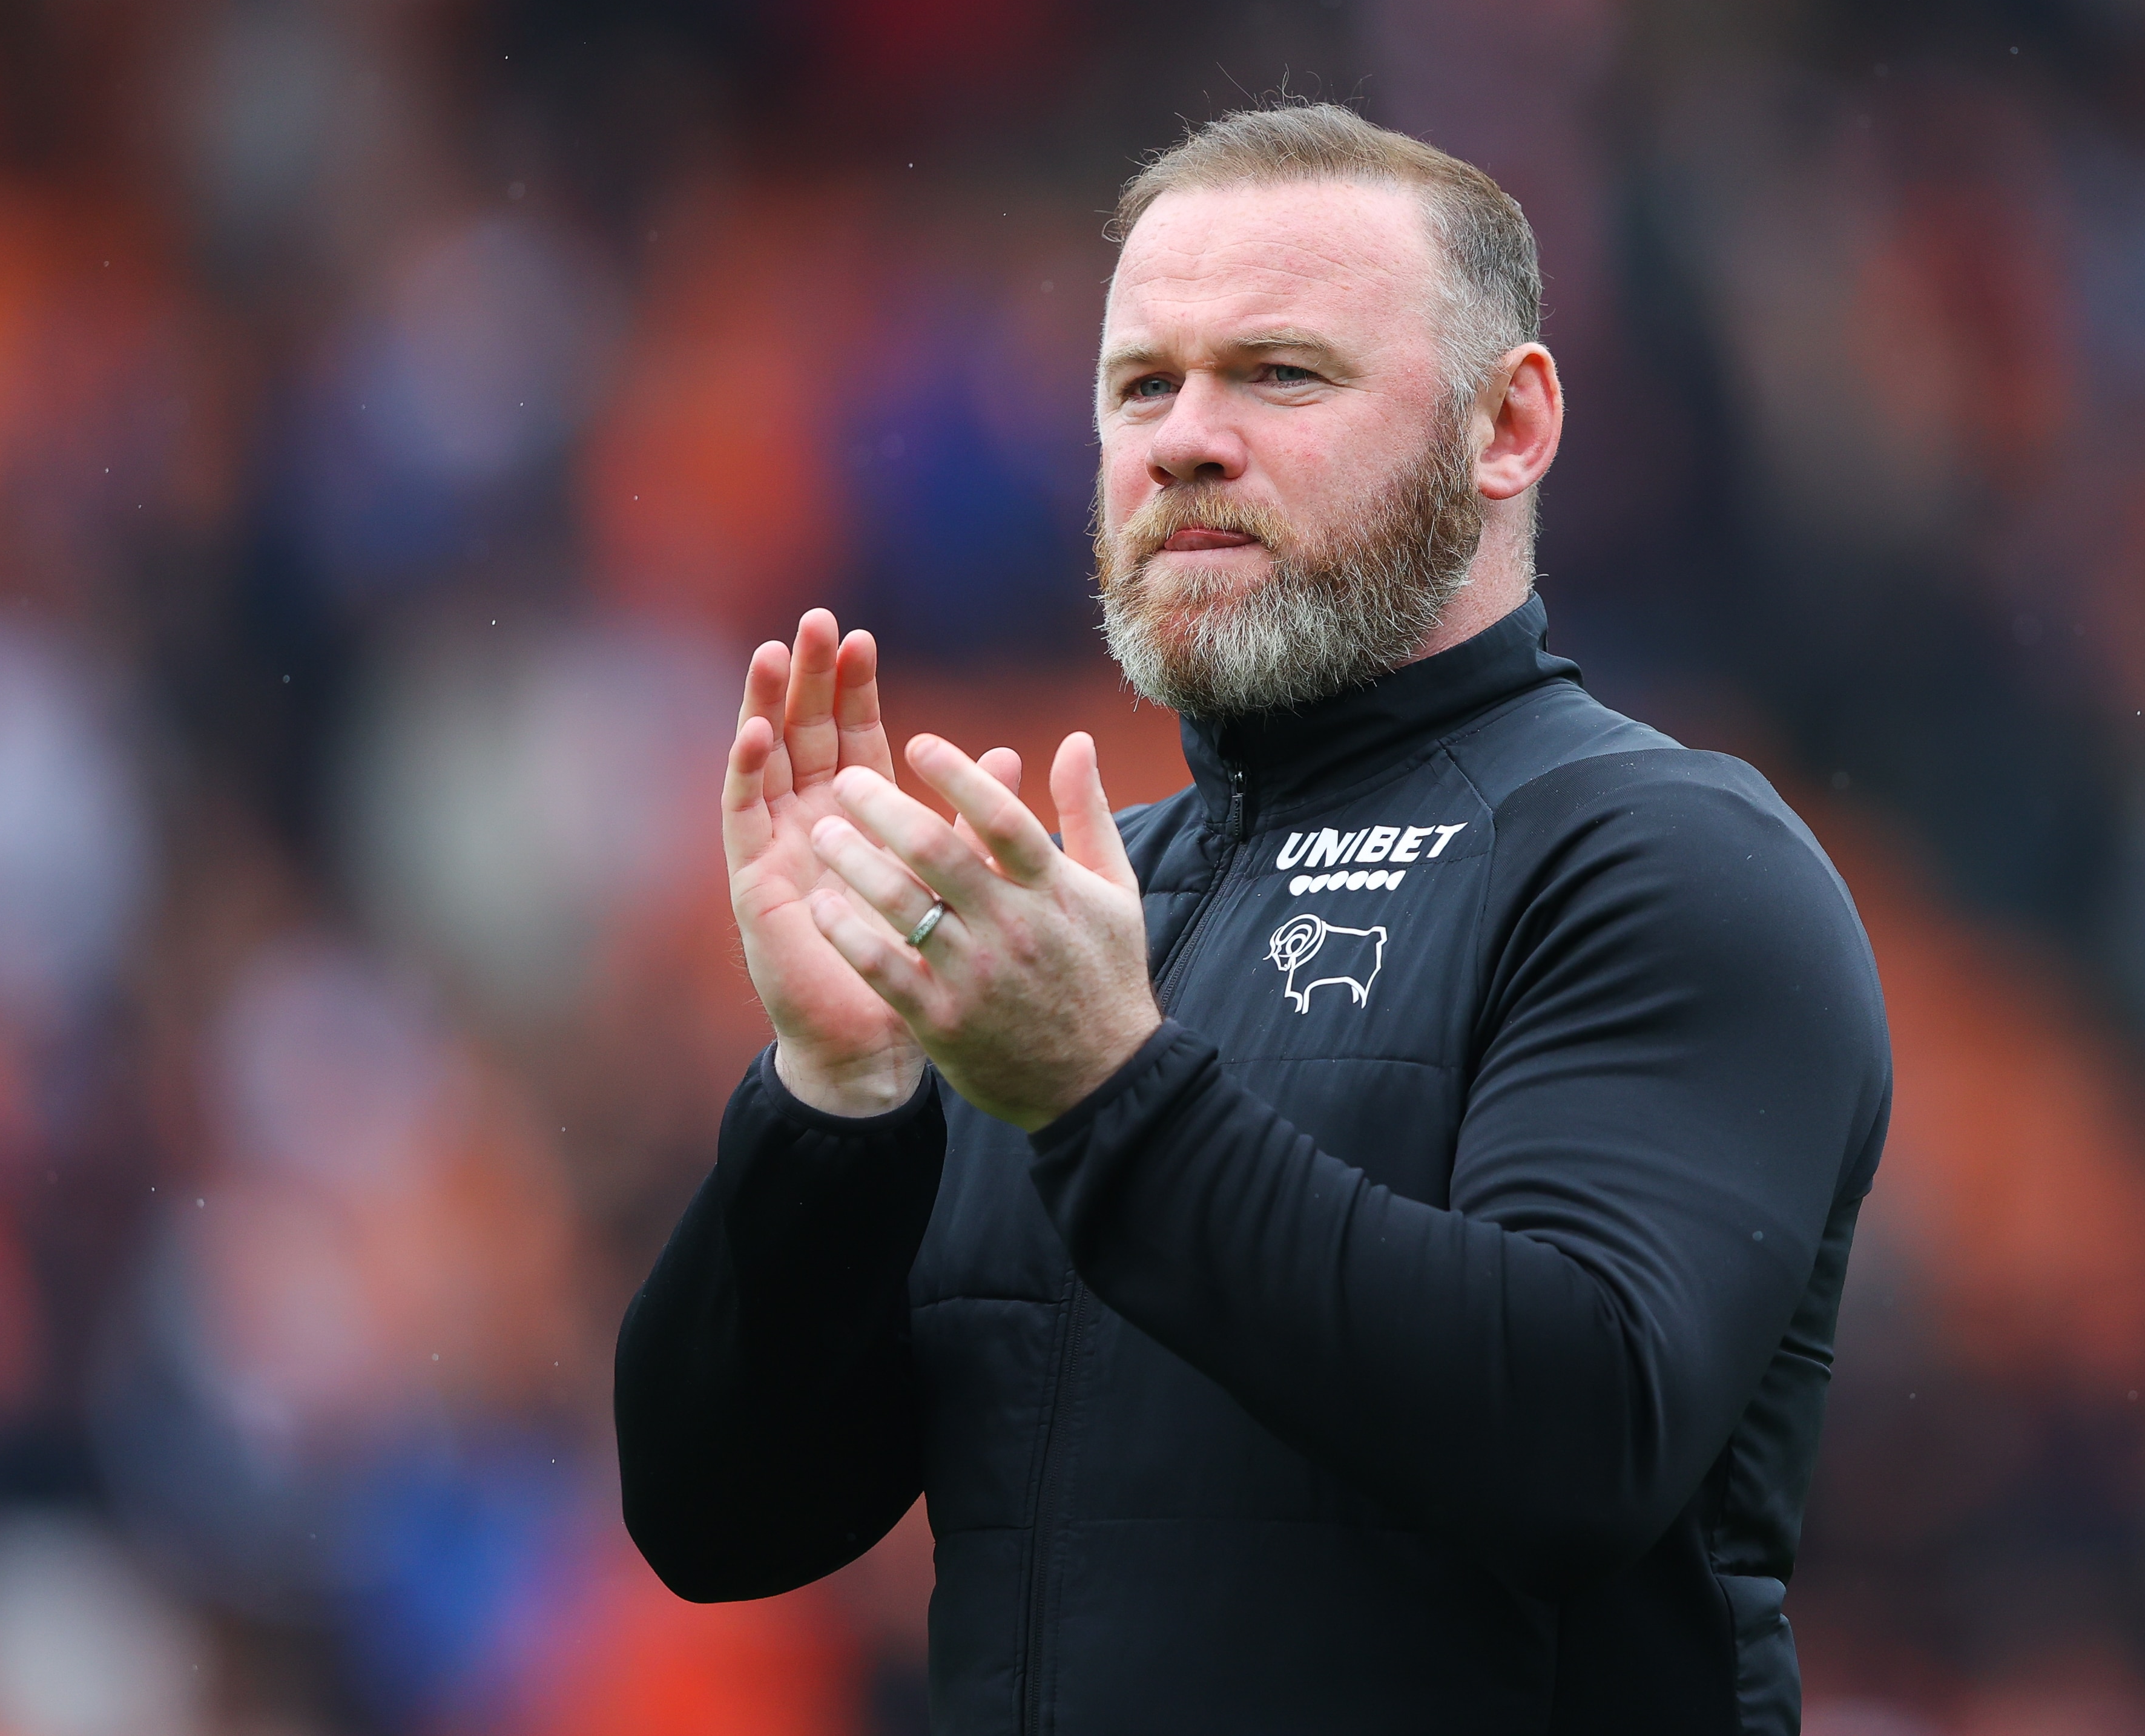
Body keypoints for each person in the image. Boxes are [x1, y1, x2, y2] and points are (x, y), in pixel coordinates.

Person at [615, 102, 1890, 1735]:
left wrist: (1108, 1096)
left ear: (1508, 426)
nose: (1184, 439)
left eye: (1279, 374)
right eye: (1140, 384)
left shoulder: (1664, 857)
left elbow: (1584, 1432)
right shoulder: (1068, 928)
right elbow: (721, 1520)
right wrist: (828, 1100)